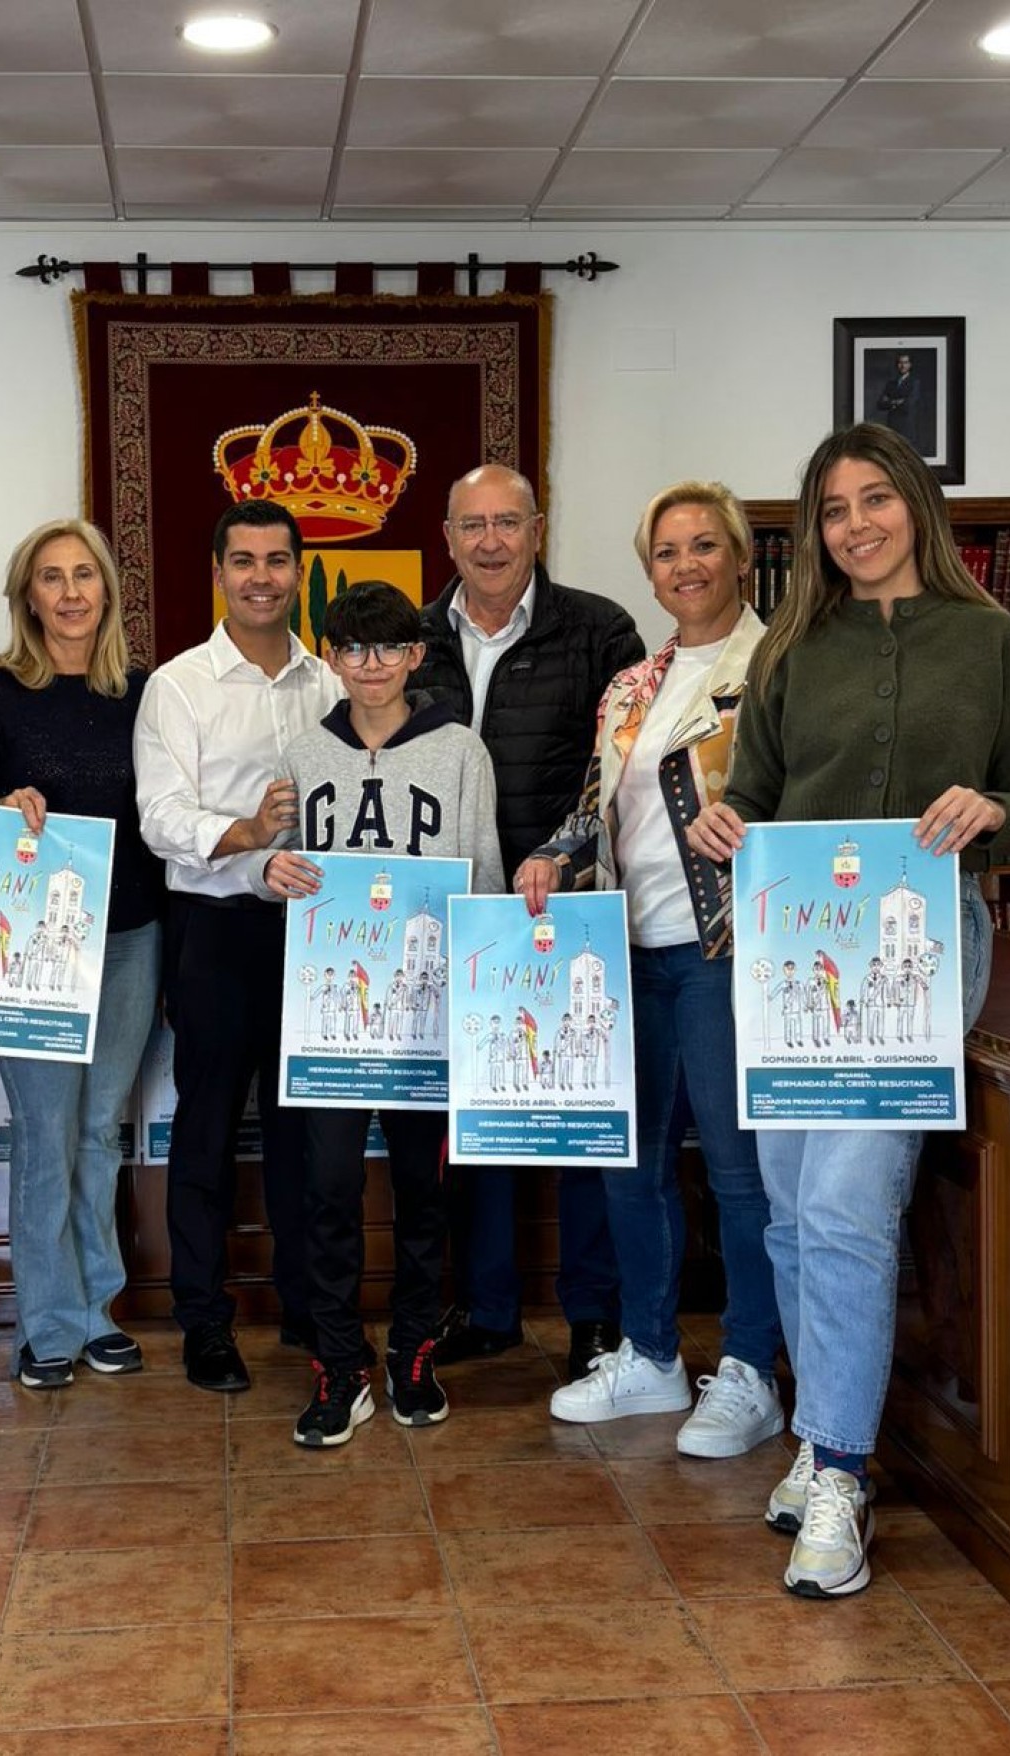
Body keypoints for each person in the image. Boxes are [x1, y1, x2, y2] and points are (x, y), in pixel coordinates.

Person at [688, 422, 1010, 1597]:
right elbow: (750, 797)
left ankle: (842, 1474)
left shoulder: (991, 640)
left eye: (874, 499)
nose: (856, 524)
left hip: (919, 945)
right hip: (795, 949)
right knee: (793, 1210)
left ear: (915, 505)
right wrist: (723, 823)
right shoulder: (792, 649)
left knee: (849, 1201)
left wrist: (993, 812)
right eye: (833, 508)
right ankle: (817, 1438)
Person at [516, 481, 784, 1460]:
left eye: (704, 545)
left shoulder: (782, 665)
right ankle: (652, 1353)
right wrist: (554, 853)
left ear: (741, 556)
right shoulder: (632, 683)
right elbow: (599, 803)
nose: (685, 565)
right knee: (629, 1164)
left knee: (737, 1170)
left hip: (726, 950)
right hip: (627, 950)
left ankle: (750, 1368)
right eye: (666, 552)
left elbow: (805, 794)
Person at [257, 581, 503, 1446]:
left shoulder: (460, 751)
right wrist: (268, 870)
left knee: (423, 1191)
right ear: (331, 658)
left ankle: (413, 1351)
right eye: (354, 649)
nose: (372, 665)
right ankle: (338, 1360)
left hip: (427, 1015)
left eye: (389, 648)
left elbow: (484, 873)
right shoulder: (302, 752)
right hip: (330, 1015)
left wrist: (479, 988)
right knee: (327, 1186)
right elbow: (279, 865)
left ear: (416, 656)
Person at [417, 463, 645, 1383]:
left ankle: (593, 1316)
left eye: (507, 522)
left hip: (569, 909)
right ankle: (489, 1309)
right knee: (480, 1119)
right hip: (460, 917)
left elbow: (615, 771)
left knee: (581, 1118)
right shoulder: (415, 638)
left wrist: (560, 853)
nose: (490, 542)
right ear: (447, 537)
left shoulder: (599, 630)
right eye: (472, 525)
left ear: (537, 530)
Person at [0, 518, 164, 1391]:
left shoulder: (144, 694)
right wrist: (0, 804)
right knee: (45, 1134)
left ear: (107, 591)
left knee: (98, 1130)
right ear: (27, 597)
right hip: (32, 950)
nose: (71, 592)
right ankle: (46, 1324)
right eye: (51, 577)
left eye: (85, 575)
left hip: (131, 937)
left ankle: (97, 1311)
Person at [135, 500, 342, 1392]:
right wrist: (248, 833)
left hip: (311, 933)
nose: (262, 577)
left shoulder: (329, 683)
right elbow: (160, 817)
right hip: (215, 930)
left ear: (299, 572)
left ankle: (307, 1306)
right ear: (218, 572)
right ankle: (204, 1323)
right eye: (245, 561)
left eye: (278, 560)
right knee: (208, 1131)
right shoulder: (178, 685)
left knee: (305, 1135)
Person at [874, 352, 931, 454]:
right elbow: (880, 404)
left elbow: (908, 404)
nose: (903, 365)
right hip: (892, 426)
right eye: (900, 362)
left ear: (910, 365)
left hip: (907, 427)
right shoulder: (891, 384)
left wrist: (890, 401)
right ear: (897, 365)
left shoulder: (915, 383)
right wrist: (897, 401)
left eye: (905, 362)